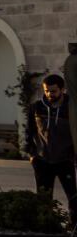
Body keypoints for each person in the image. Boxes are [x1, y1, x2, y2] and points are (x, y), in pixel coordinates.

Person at [29, 72, 77, 222]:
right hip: (43, 160)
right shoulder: (37, 107)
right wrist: (32, 155)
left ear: (62, 89)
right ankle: (46, 226)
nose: (49, 94)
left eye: (53, 91)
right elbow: (28, 131)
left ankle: (74, 227)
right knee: (43, 198)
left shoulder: (72, 109)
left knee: (73, 197)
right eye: (46, 91)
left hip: (65, 160)